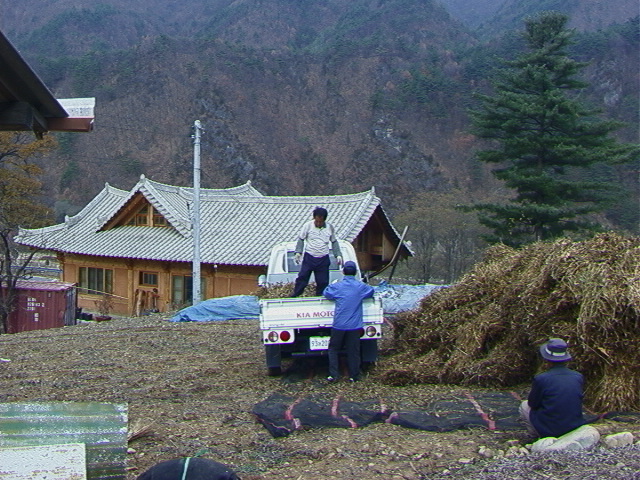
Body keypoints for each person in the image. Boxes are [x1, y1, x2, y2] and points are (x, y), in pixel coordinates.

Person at [519, 338, 586, 438]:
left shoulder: (541, 378)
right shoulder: (578, 377)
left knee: (524, 405)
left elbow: (533, 404)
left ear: (546, 359)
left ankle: (536, 436)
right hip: (574, 427)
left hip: (550, 430)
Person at [323, 261, 374, 382]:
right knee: (353, 351)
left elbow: (326, 293)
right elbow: (371, 291)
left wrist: (332, 284)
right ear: (355, 272)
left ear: (343, 272)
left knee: (333, 349)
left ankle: (334, 375)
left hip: (339, 325)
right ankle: (354, 376)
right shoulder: (360, 287)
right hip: (354, 326)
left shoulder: (337, 286)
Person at [291, 207, 342, 297]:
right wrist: (298, 252)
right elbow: (301, 239)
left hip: (323, 258)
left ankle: (321, 297)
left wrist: (338, 255)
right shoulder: (307, 226)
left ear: (324, 220)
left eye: (320, 222)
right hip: (309, 257)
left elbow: (334, 241)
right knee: (302, 277)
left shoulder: (330, 227)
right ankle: (296, 295)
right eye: (317, 221)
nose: (318, 223)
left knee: (323, 281)